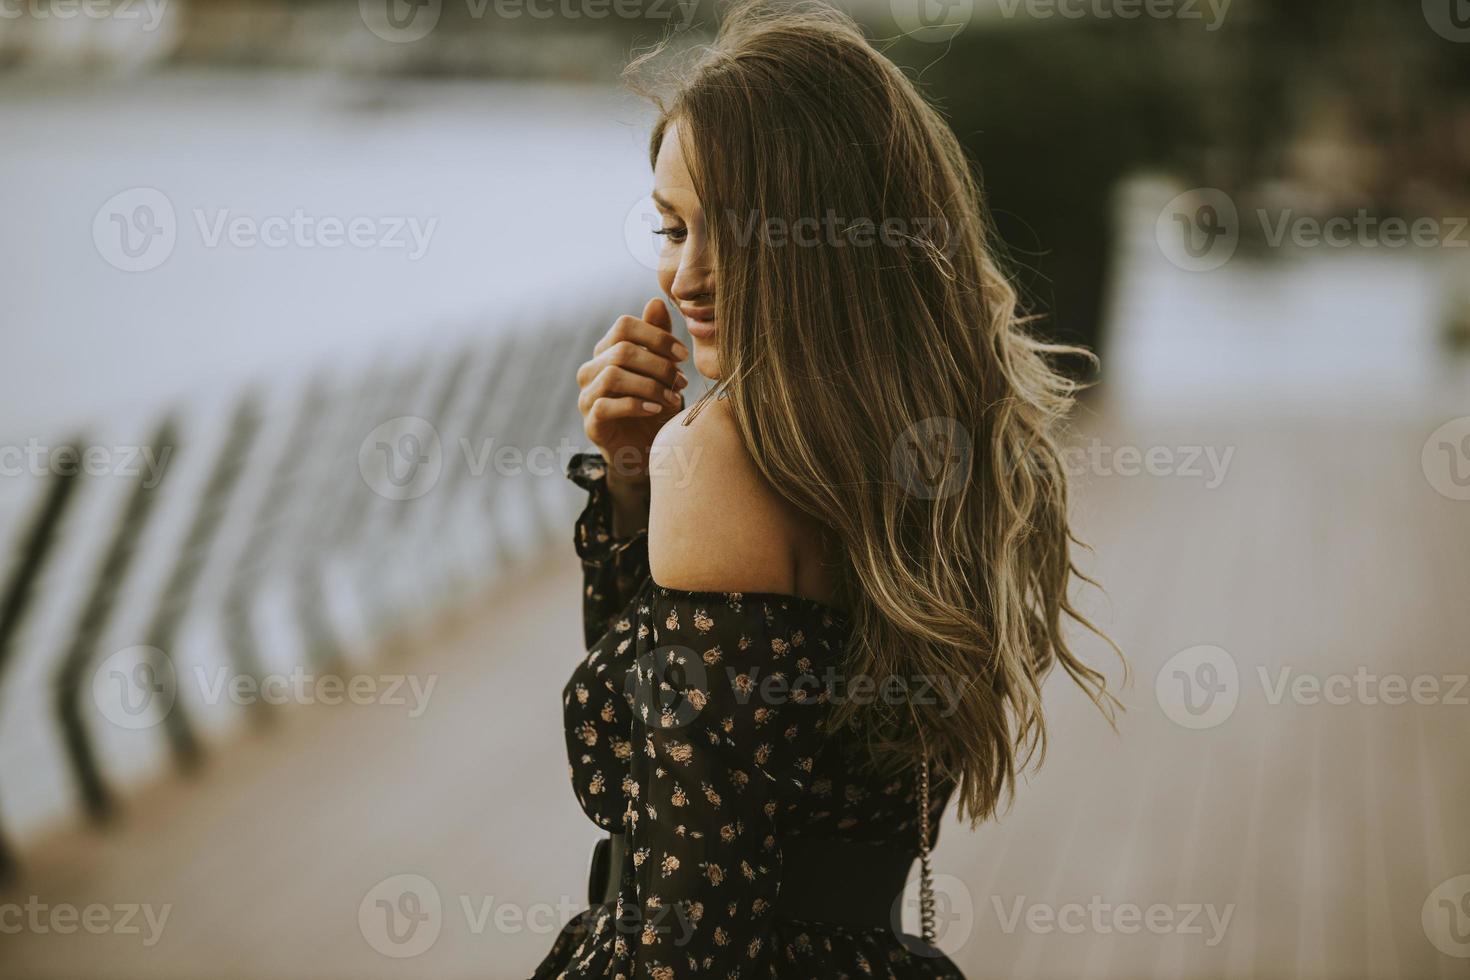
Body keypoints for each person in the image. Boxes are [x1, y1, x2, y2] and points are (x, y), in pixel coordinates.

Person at [533, 3, 1121, 976]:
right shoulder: (906, 457)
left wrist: (671, 466)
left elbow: (692, 920)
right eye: (671, 226)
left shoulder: (724, 451)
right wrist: (633, 480)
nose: (685, 273)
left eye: (732, 226)